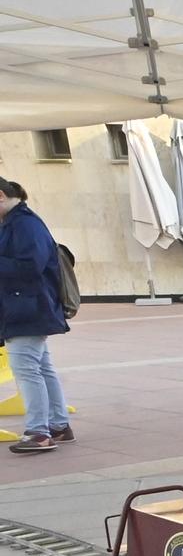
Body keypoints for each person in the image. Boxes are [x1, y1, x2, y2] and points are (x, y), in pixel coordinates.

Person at [0, 178, 74, 455]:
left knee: (27, 371)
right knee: (41, 368)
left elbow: (31, 266)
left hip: (26, 308)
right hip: (29, 306)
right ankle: (57, 425)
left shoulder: (24, 224)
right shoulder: (18, 222)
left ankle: (39, 432)